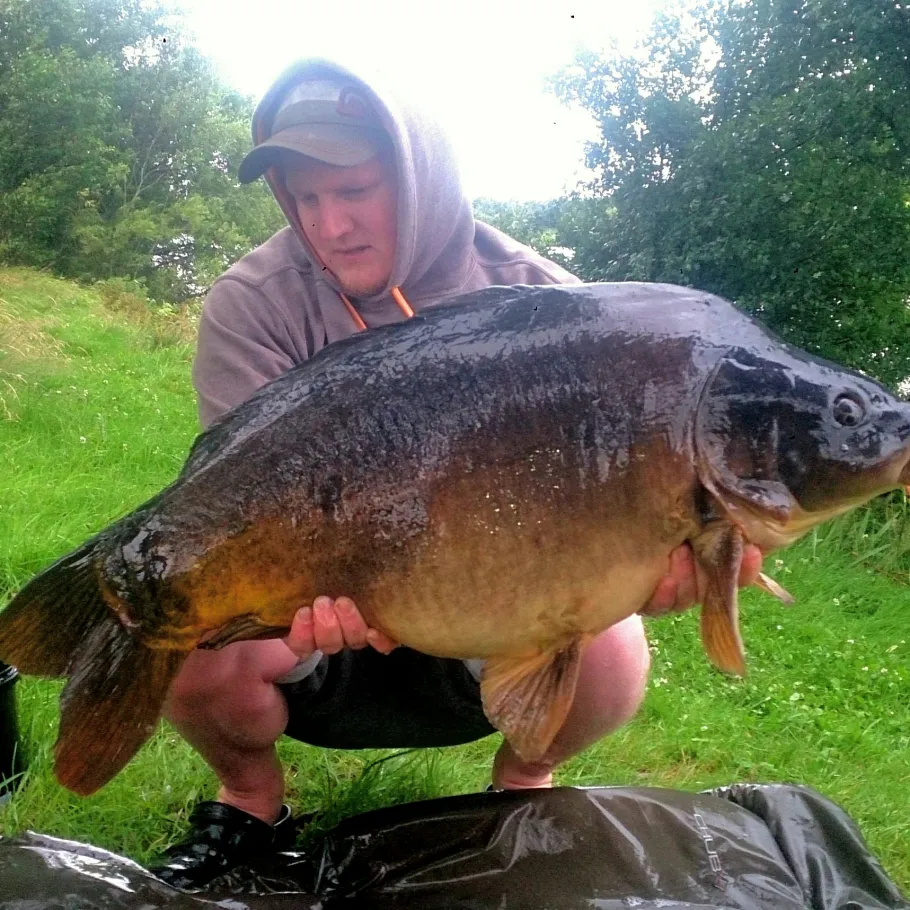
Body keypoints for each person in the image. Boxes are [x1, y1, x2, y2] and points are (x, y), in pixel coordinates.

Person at [150, 58, 762, 889]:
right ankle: (251, 803)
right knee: (178, 629)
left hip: (499, 609)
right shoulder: (252, 303)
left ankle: (518, 793)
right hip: (317, 612)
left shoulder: (544, 303)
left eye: (356, 191)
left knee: (615, 652)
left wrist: (652, 567)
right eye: (306, 200)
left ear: (419, 176)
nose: (329, 226)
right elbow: (242, 504)